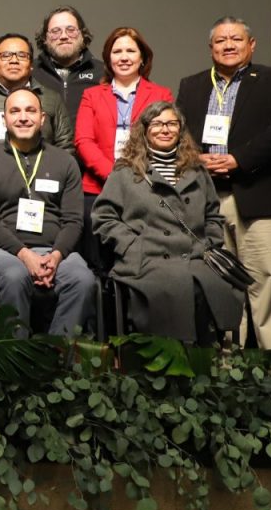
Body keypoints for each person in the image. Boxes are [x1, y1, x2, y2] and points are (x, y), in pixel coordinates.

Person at [176, 15, 271, 349]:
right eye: (220, 40)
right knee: (221, 288)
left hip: (259, 198)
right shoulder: (192, 85)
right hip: (209, 201)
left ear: (251, 45)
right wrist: (195, 157)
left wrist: (238, 159)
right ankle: (229, 367)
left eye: (236, 39)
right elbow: (178, 132)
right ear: (210, 47)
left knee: (266, 286)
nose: (228, 45)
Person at [92, 102, 245, 343]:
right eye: (157, 123)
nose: (165, 129)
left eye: (172, 123)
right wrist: (133, 247)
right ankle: (165, 358)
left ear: (180, 129)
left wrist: (209, 244)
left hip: (195, 257)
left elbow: (213, 215)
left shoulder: (197, 170)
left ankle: (209, 356)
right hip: (147, 260)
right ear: (144, 130)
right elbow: (103, 217)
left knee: (220, 288)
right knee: (171, 290)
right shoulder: (125, 171)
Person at [0, 87, 97, 337]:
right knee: (16, 276)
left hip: (56, 252)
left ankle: (58, 352)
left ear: (42, 118)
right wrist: (25, 255)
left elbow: (73, 220)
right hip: (5, 253)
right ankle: (14, 354)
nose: (23, 117)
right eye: (15, 111)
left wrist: (56, 257)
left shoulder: (65, 162)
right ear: (4, 119)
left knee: (83, 279)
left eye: (30, 111)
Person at [75, 27, 172, 198]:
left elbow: (166, 140)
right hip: (99, 187)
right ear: (109, 58)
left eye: (131, 51)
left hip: (148, 186)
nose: (124, 57)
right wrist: (112, 175)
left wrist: (139, 177)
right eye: (117, 52)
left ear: (142, 58)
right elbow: (84, 141)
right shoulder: (91, 96)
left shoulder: (161, 95)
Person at [0, 33, 73, 152]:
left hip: (43, 164)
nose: (14, 60)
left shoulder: (52, 98)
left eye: (22, 55)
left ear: (31, 65)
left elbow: (66, 144)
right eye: (5, 55)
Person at [32, 5, 101, 131]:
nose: (64, 36)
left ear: (82, 35)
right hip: (43, 144)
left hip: (87, 143)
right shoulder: (31, 72)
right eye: (55, 31)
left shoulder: (102, 72)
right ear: (45, 38)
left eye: (70, 30)